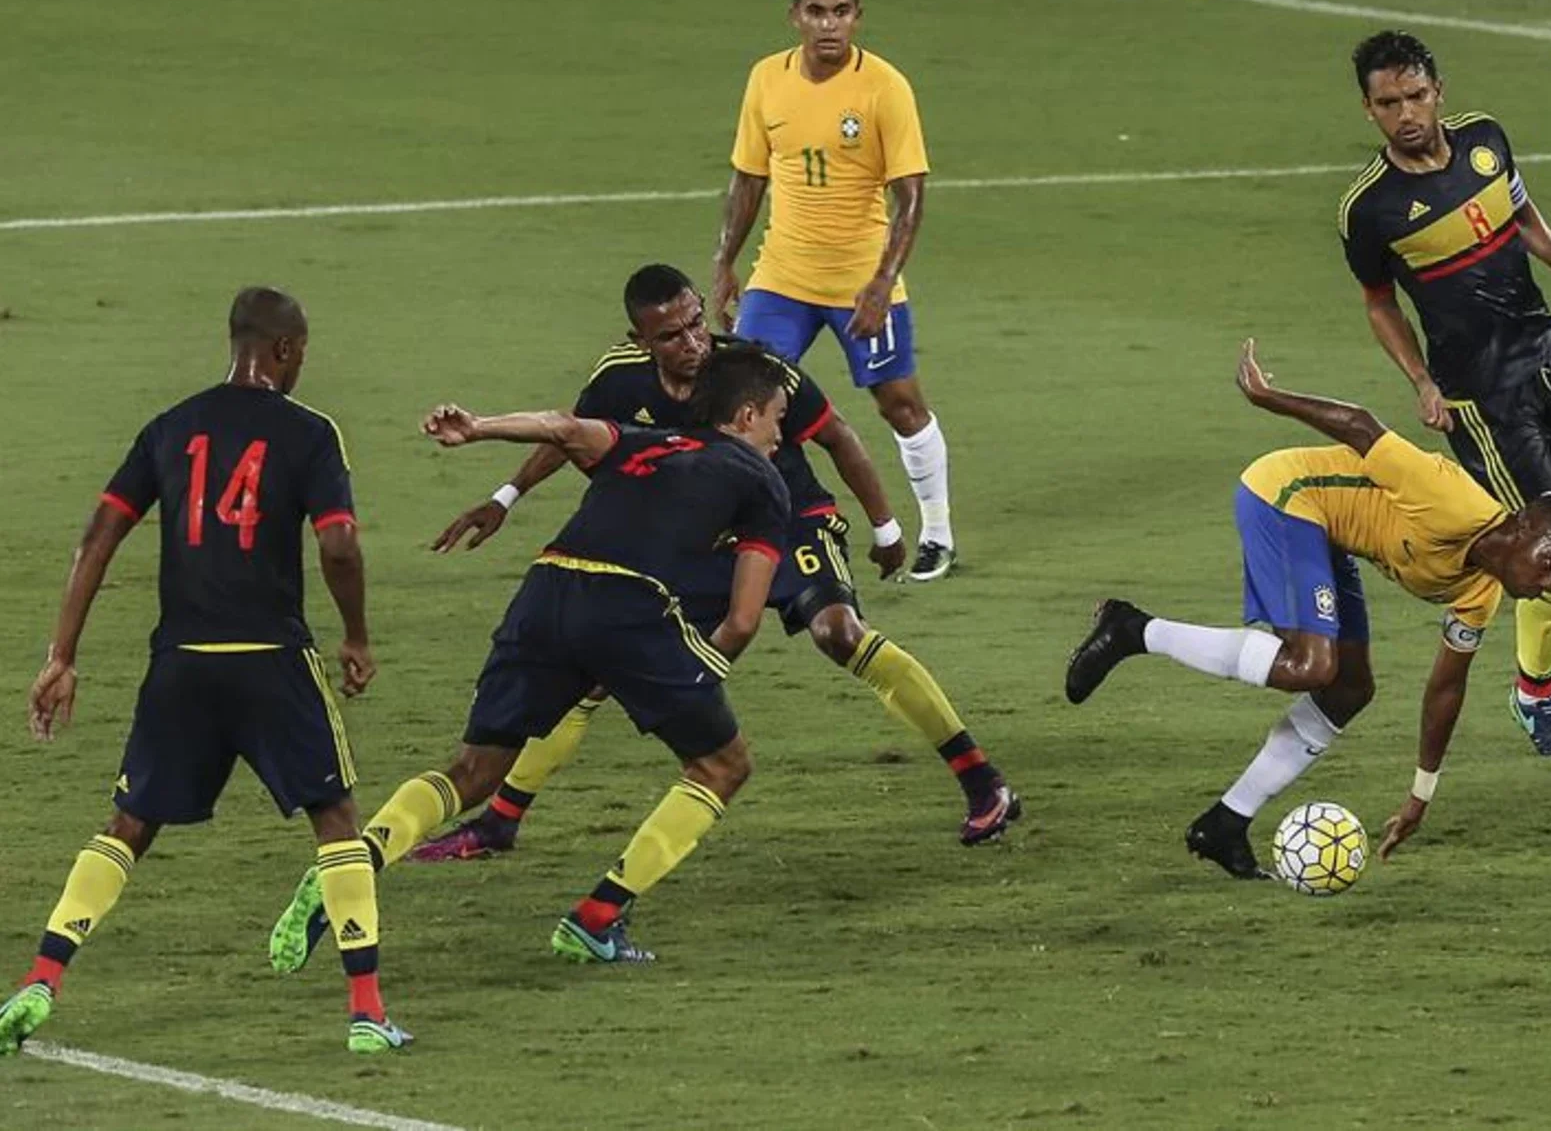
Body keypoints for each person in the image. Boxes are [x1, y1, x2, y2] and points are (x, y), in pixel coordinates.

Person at [420, 265, 1018, 860]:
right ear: (641, 342)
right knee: (596, 671)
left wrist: (885, 526)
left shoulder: (752, 370)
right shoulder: (621, 381)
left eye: (696, 323)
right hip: (707, 541)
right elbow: (570, 435)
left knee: (838, 632)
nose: (693, 342)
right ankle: (500, 822)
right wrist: (504, 499)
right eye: (672, 335)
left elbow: (836, 434)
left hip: (789, 518)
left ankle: (983, 781)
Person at [268, 344, 792, 970]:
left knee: (472, 773)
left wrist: (478, 427)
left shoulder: (646, 441)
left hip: (545, 589)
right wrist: (697, 675)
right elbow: (742, 617)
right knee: (721, 767)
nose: (781, 436)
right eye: (777, 419)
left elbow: (563, 428)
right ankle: (597, 918)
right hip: (627, 606)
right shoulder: (763, 481)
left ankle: (351, 865)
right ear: (746, 416)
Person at [0, 288, 403, 1056]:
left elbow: (96, 538)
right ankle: (367, 1011)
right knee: (336, 822)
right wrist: (356, 635)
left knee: (127, 825)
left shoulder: (169, 427)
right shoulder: (310, 433)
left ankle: (42, 977)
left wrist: (61, 656)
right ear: (283, 350)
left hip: (179, 663)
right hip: (271, 660)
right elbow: (341, 545)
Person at [1066, 341, 1551, 877]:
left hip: (1329, 537)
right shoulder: (1453, 501)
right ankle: (1132, 629)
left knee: (1349, 690)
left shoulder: (1482, 592)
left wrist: (1419, 794)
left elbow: (1445, 688)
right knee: (1310, 665)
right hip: (1286, 493)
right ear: (1522, 526)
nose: (1549, 581)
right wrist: (1270, 397)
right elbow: (1362, 426)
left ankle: (1225, 823)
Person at [1339, 29, 1551, 756]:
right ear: (1369, 110)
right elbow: (1379, 302)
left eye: (1416, 95)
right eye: (1388, 103)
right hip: (1484, 400)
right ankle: (1535, 694)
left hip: (1550, 356)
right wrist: (1421, 380)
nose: (1406, 113)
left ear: (1438, 91)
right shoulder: (1371, 210)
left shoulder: (1487, 141)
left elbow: (1518, 211)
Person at [711, 0, 956, 582]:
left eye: (841, 11)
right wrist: (725, 264)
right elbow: (749, 178)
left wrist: (879, 282)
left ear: (857, 16)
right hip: (782, 277)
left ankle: (937, 532)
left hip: (860, 281)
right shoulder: (766, 79)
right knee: (741, 398)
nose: (829, 24)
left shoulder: (884, 87)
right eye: (816, 11)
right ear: (795, 15)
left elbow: (912, 195)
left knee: (898, 404)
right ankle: (746, 523)